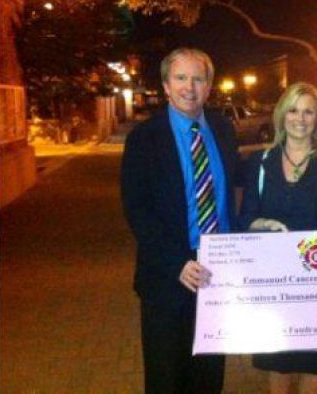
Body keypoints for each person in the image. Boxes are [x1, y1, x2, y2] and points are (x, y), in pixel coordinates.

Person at [121, 48, 239, 393]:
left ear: (209, 85)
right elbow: (137, 209)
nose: (190, 87)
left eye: (198, 78)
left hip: (219, 274)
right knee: (166, 379)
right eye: (181, 78)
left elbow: (234, 191)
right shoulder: (144, 138)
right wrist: (178, 261)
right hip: (167, 278)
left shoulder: (222, 128)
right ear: (166, 86)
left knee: (209, 377)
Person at [239, 82, 317, 394]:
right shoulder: (261, 163)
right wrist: (262, 222)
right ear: (282, 114)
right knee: (277, 363)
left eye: (309, 111)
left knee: (314, 365)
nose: (300, 118)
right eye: (294, 109)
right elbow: (245, 219)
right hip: (273, 281)